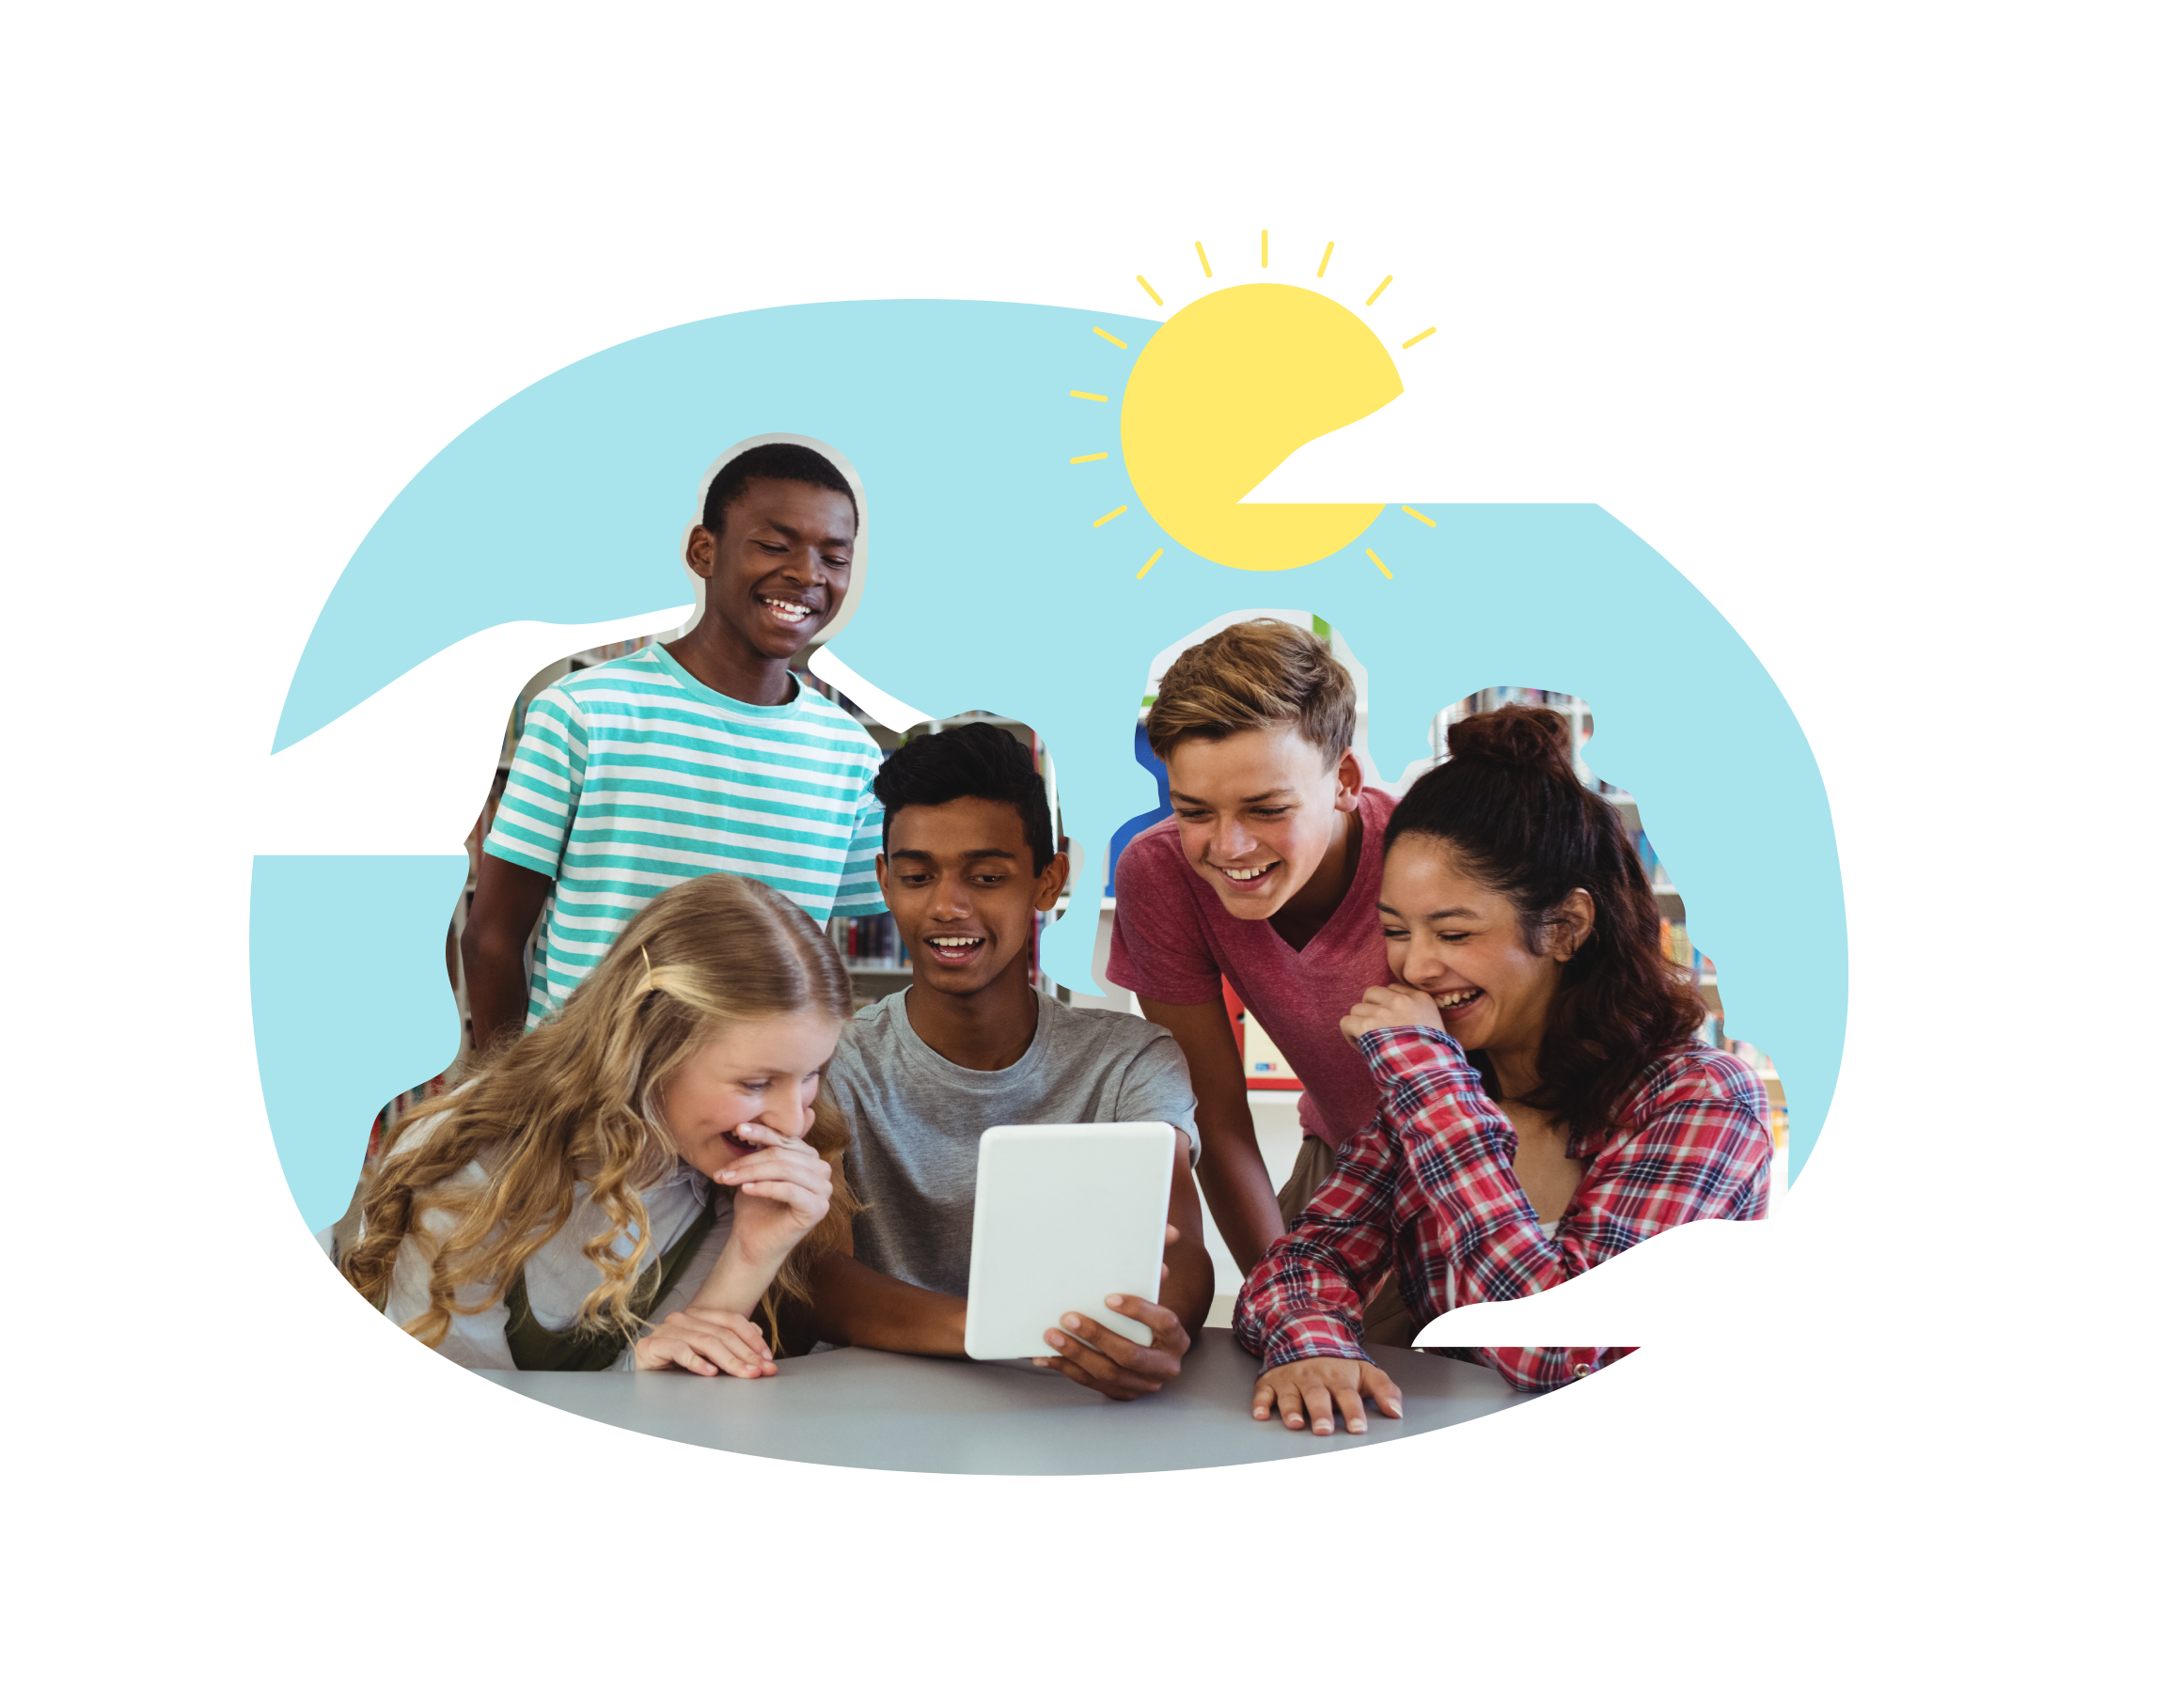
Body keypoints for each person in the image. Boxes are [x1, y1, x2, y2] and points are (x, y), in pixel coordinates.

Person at [1234, 706, 1774, 1434]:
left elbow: (1557, 1348)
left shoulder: (1701, 1098)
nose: (1414, 966)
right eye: (1394, 930)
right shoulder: (1439, 1091)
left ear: (1566, 926)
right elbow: (1293, 1269)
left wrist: (1430, 1083)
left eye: (1453, 932)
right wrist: (1314, 1346)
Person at [788, 722, 1215, 1401]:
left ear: (1048, 881)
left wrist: (1158, 1329)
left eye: (986, 877)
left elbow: (1181, 1250)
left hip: (1069, 1403)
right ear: (884, 882)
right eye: (916, 876)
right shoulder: (830, 1063)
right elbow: (817, 1279)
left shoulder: (1130, 1060)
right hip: (872, 1404)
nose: (948, 906)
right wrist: (1005, 1329)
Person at [340, 873, 859, 1375]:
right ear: (648, 1047)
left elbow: (675, 1375)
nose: (794, 1121)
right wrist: (644, 1374)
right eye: (755, 1083)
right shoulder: (472, 1161)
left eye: (810, 1075)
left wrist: (752, 1252)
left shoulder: (723, 1170)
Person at [464, 441, 888, 1049]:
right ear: (703, 551)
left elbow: (818, 958)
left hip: (758, 1094)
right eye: (774, 545)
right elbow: (492, 939)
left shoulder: (853, 756)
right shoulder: (583, 712)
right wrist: (504, 1096)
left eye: (835, 557)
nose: (807, 573)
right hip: (587, 1096)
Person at [1104, 619, 1416, 1340]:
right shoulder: (1160, 872)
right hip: (1343, 1161)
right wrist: (1288, 1307)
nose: (1230, 846)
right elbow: (1215, 1113)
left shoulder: (1429, 857)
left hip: (1496, 1166)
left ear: (1344, 781)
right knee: (1286, 1352)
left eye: (1267, 809)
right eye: (1193, 810)